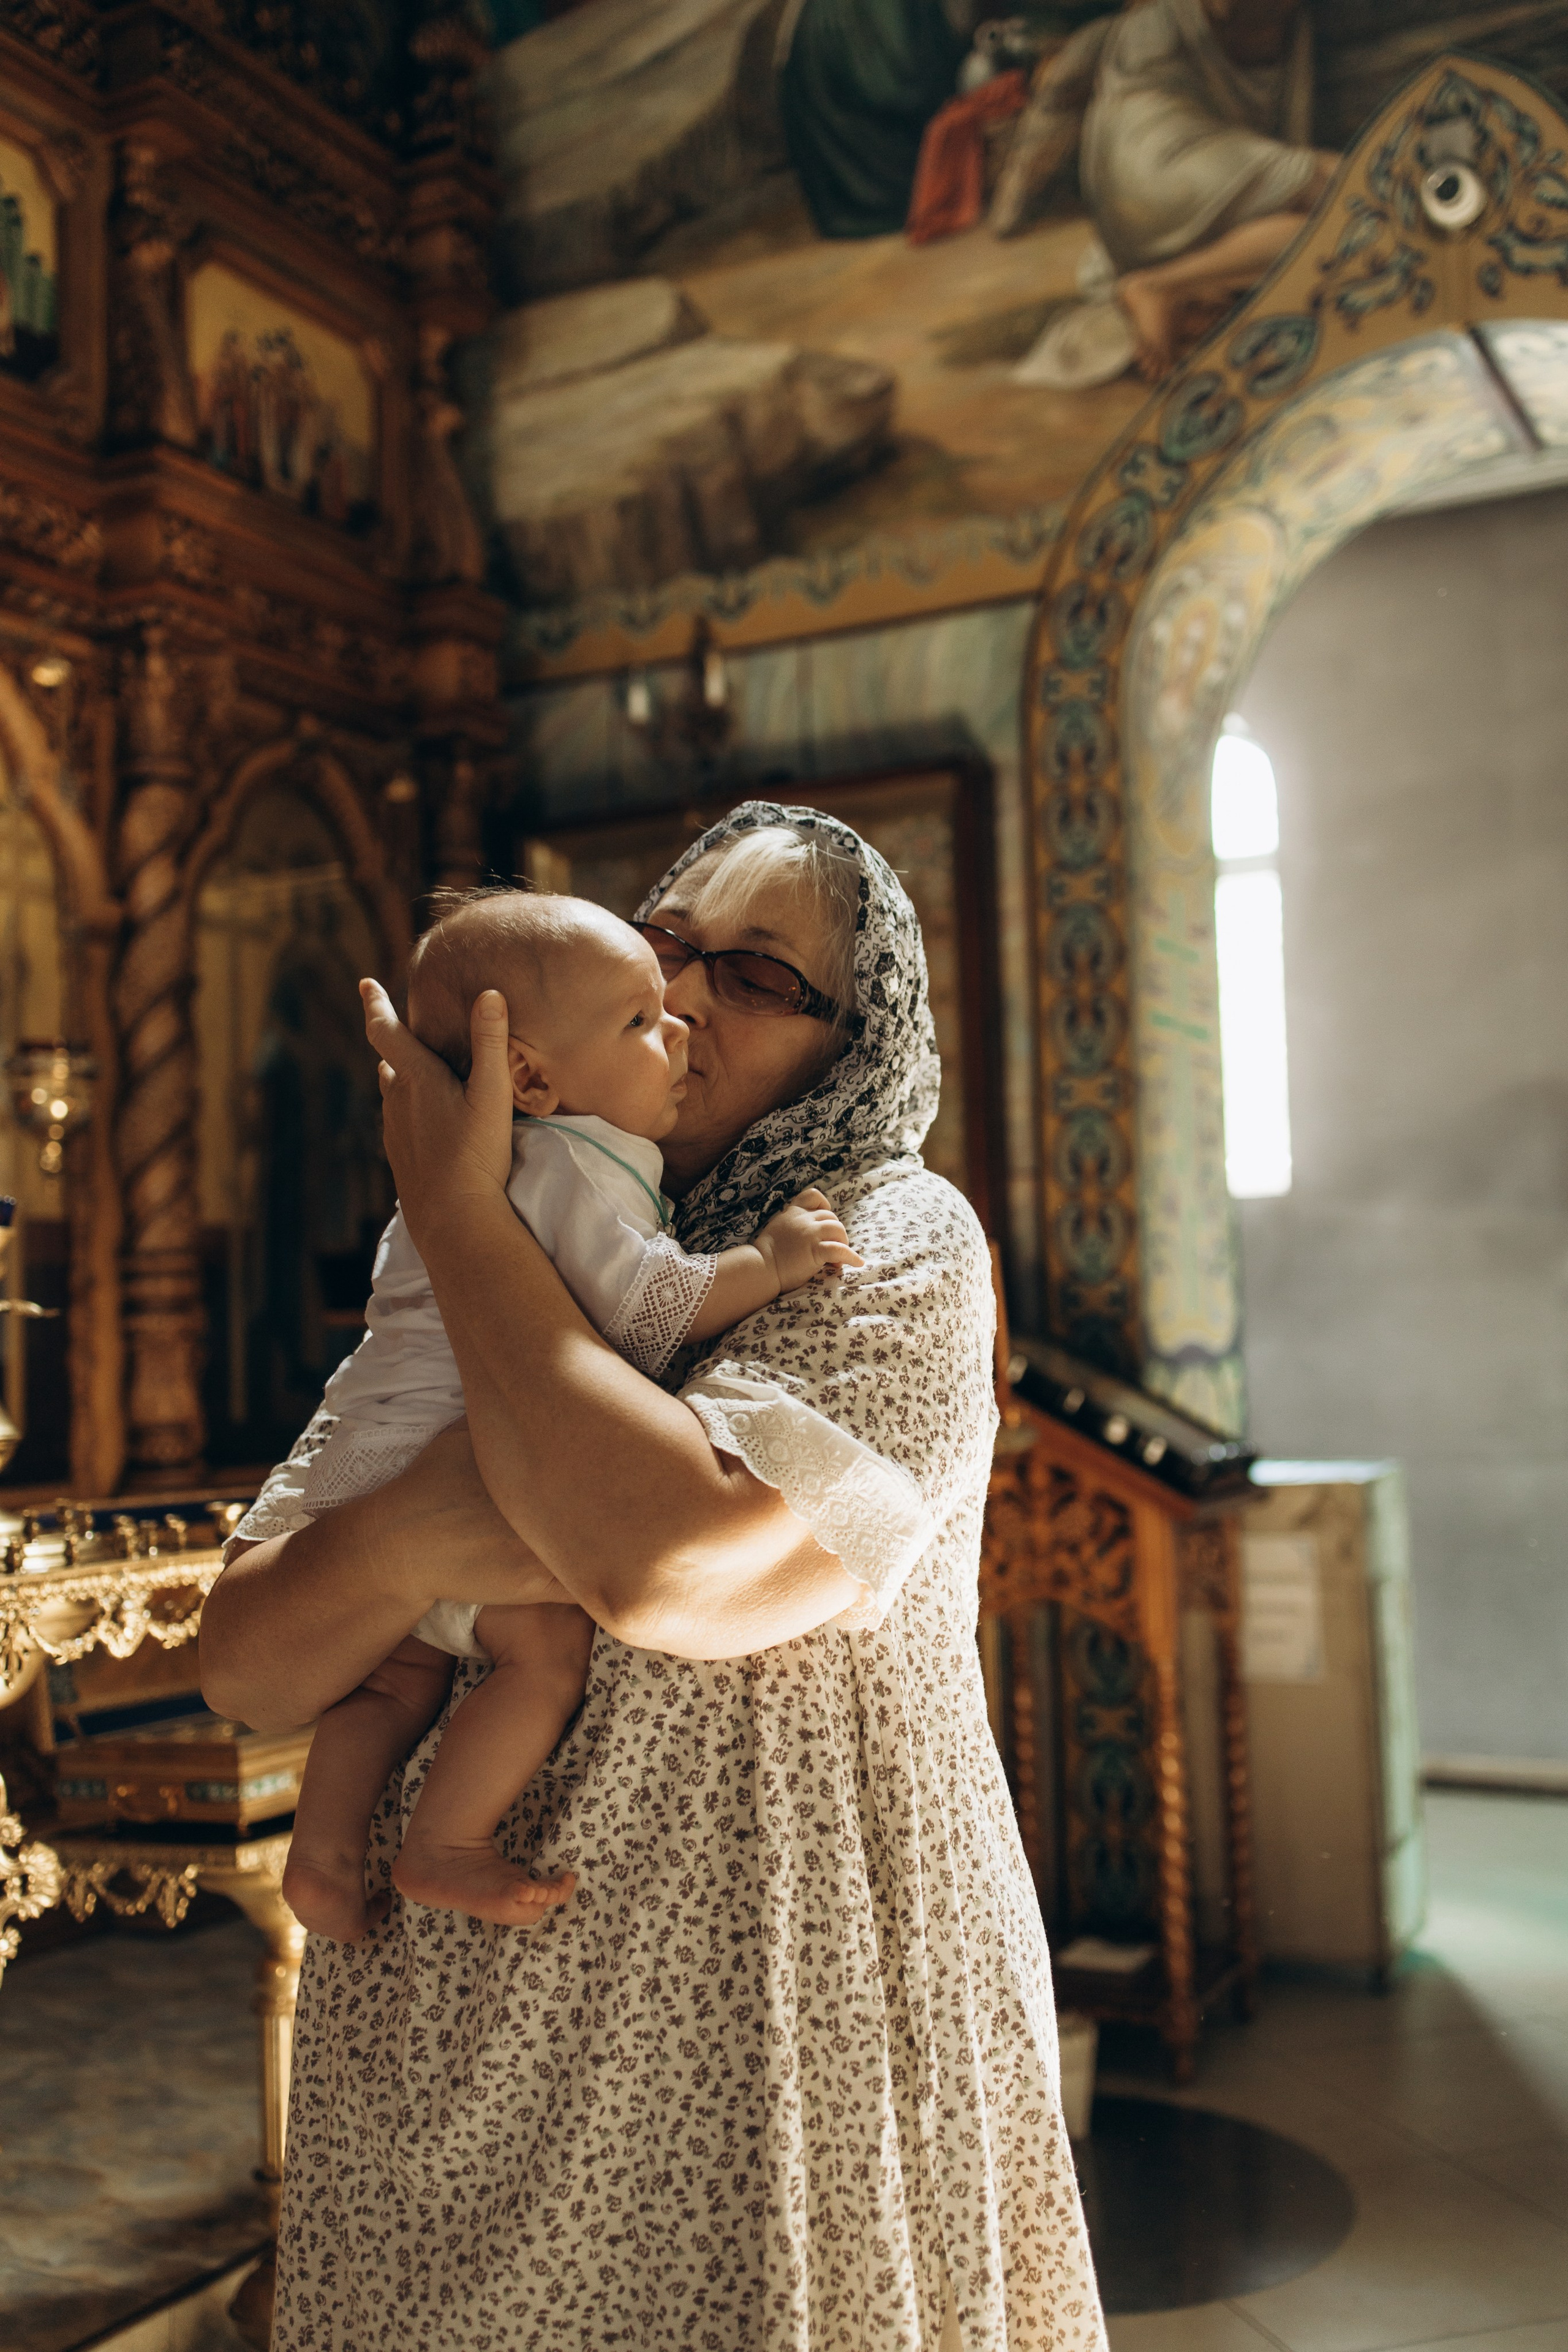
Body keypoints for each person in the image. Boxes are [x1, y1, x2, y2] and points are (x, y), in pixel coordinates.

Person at [200, 804, 1107, 2352]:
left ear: (850, 1043)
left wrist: (459, 1211)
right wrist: (447, 1514)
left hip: (749, 2048)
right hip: (442, 2069)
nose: (677, 994)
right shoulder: (551, 1232)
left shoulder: (887, 1237)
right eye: (665, 942)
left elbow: (668, 1563)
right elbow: (247, 1664)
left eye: (752, 974)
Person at [262, 888, 861, 1942]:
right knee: (539, 1653)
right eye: (642, 1017)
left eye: (749, 977)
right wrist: (768, 1262)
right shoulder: (574, 1159)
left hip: (358, 1455)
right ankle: (444, 1846)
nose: (678, 1019)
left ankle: (318, 1860)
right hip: (442, 1460)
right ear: (531, 1076)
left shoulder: (490, 1162)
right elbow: (648, 1303)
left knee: (395, 1680)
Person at [1082, 0, 1339, 377]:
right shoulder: (1157, 26)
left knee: (1326, 231)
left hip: (1164, 189)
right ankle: (1165, 288)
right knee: (1343, 185)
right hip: (1154, 166)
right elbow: (1225, 10)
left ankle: (1163, 286)